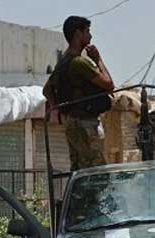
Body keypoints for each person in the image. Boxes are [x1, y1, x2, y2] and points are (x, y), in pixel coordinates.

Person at [43, 16, 115, 171]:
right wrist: (98, 59)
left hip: (72, 122)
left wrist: (61, 109)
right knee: (96, 171)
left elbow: (47, 89)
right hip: (85, 124)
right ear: (78, 34)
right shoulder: (79, 62)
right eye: (87, 31)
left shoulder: (64, 61)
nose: (90, 36)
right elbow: (109, 85)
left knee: (78, 169)